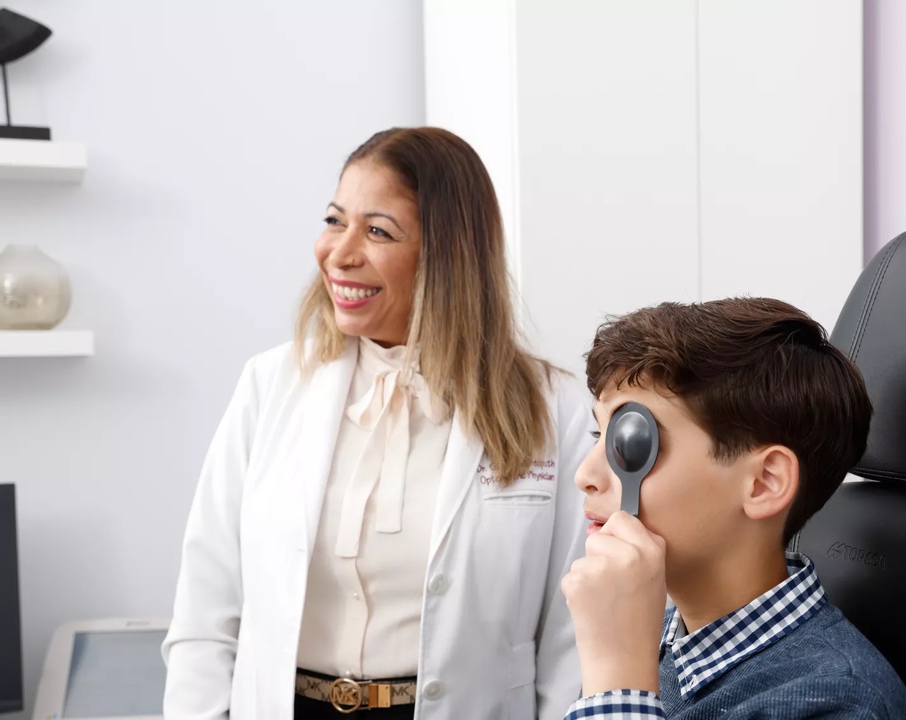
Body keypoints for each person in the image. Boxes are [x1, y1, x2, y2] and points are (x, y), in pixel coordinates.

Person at [162, 127, 594, 720]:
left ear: (447, 255)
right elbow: (205, 612)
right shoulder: (269, 386)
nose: (338, 252)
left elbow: (574, 634)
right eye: (336, 220)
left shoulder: (555, 409)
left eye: (377, 231)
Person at [560, 298, 906, 719]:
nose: (584, 473)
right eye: (597, 433)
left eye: (629, 442)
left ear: (765, 482)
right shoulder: (646, 634)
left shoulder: (839, 701)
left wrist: (616, 682)